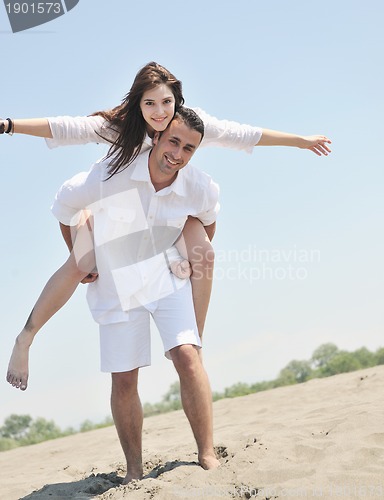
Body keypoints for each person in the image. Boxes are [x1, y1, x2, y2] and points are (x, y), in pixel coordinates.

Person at [4, 61, 332, 391]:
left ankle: (194, 340)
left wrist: (299, 141)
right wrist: (7, 125)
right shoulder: (121, 127)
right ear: (138, 104)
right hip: (111, 201)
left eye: (166, 102)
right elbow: (62, 128)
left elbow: (245, 134)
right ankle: (26, 337)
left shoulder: (191, 124)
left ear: (177, 99)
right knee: (82, 264)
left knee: (204, 253)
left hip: (166, 203)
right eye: (150, 103)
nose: (159, 112)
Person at [51, 107, 220, 481]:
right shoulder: (115, 169)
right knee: (124, 378)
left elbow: (208, 221)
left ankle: (207, 454)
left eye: (189, 148)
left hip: (165, 275)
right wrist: (81, 258)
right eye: (173, 141)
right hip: (116, 282)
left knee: (188, 356)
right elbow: (65, 206)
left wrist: (188, 253)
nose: (177, 154)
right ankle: (133, 470)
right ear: (156, 137)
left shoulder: (199, 187)